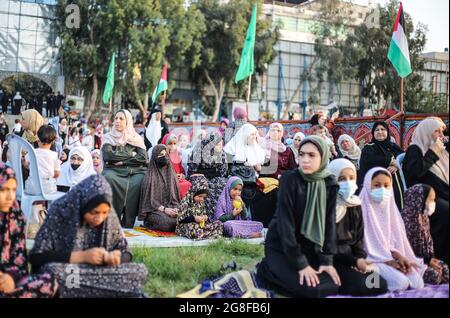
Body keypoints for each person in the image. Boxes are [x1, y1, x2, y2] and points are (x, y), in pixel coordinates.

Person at [29, 174, 148, 298]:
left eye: (104, 213)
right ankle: (112, 291)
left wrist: (117, 257)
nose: (100, 218)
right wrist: (82, 257)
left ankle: (78, 291)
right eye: (94, 212)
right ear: (83, 204)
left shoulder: (108, 213)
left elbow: (126, 252)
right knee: (52, 272)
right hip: (69, 271)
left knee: (140, 271)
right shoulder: (60, 210)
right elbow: (36, 257)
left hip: (98, 272)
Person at [256, 136, 341, 298]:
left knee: (333, 285)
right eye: (301, 155)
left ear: (323, 156)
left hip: (309, 247)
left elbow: (329, 225)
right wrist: (301, 264)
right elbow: (284, 223)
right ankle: (266, 270)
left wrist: (326, 261)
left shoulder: (329, 183)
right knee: (311, 290)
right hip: (282, 246)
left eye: (311, 155)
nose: (305, 160)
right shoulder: (290, 179)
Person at [359, 167, 426, 292]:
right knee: (401, 283)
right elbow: (362, 246)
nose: (382, 190)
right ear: (368, 185)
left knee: (418, 283)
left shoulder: (390, 209)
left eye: (386, 185)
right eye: (377, 185)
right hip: (370, 261)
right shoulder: (359, 209)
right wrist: (387, 261)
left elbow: (390, 241)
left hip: (389, 257)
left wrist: (399, 255)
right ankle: (373, 280)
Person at [328, 159, 388, 296]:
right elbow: (327, 246)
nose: (348, 182)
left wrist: (360, 259)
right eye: (342, 178)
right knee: (362, 286)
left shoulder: (354, 204)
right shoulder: (326, 206)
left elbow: (358, 239)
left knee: (380, 284)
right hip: (331, 261)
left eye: (351, 178)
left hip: (352, 260)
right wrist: (354, 261)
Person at [0, 163, 58, 298]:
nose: (10, 197)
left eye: (13, 190)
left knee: (50, 281)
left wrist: (10, 277)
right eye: (3, 190)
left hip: (10, 280)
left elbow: (19, 258)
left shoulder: (15, 215)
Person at [402, 117, 449, 264]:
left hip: (442, 194)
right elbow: (416, 172)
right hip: (426, 196)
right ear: (427, 132)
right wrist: (433, 151)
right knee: (446, 211)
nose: (440, 134)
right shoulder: (415, 149)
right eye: (436, 131)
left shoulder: (442, 151)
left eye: (442, 131)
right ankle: (440, 259)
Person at [102, 109, 148, 228]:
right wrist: (130, 154)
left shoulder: (136, 137)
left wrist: (122, 160)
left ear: (127, 121)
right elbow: (108, 156)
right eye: (116, 118)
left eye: (121, 119)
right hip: (113, 170)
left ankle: (128, 221)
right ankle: (112, 219)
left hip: (134, 171)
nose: (117, 121)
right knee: (108, 177)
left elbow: (143, 158)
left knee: (139, 181)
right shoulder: (108, 137)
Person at [400, 184, 449, 285]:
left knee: (444, 269)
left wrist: (430, 260)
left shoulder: (423, 218)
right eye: (431, 200)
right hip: (411, 263)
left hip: (426, 262)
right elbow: (410, 251)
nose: (433, 203)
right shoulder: (408, 220)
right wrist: (427, 261)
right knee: (434, 276)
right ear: (419, 199)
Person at [253, 123, 297, 227]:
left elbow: (293, 168)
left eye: (278, 130)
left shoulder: (287, 150)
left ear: (282, 133)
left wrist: (285, 177)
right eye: (273, 130)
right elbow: (261, 167)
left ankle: (284, 224)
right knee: (270, 194)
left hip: (284, 180)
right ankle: (265, 225)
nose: (275, 133)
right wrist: (276, 176)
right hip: (266, 179)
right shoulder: (262, 147)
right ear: (269, 132)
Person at [358, 121, 405, 210]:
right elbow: (369, 160)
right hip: (380, 188)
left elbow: (404, 158)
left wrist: (396, 166)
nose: (380, 132)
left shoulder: (393, 146)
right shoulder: (369, 147)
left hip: (397, 186)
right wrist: (389, 161)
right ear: (373, 133)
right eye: (377, 130)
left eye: (383, 129)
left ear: (387, 132)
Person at [224, 123, 266, 218]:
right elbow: (227, 168)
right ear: (245, 135)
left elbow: (259, 169)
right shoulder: (232, 147)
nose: (254, 137)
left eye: (255, 134)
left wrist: (254, 165)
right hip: (236, 180)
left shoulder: (256, 149)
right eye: (252, 134)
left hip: (251, 181)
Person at [138, 145, 180, 232]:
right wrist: (165, 210)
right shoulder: (150, 176)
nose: (164, 157)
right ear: (154, 156)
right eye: (161, 154)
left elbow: (175, 198)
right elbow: (148, 202)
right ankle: (149, 224)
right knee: (167, 223)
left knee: (183, 218)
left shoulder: (171, 174)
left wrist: (175, 208)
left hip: (170, 208)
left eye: (166, 154)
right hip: (154, 211)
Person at [188, 131, 229, 218]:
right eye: (217, 144)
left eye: (220, 144)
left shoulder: (221, 153)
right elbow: (192, 169)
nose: (220, 146)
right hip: (198, 175)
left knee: (221, 183)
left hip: (215, 176)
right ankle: (201, 215)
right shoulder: (199, 149)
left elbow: (223, 171)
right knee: (204, 185)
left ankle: (217, 216)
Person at [176, 175, 223, 240]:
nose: (201, 199)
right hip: (186, 225)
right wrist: (194, 218)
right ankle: (208, 234)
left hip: (200, 226)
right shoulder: (185, 202)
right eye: (199, 196)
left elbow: (203, 214)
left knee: (219, 224)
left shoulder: (201, 203)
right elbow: (180, 219)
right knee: (194, 228)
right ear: (193, 192)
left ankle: (204, 233)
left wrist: (205, 217)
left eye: (203, 197)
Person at [24, 125, 61, 195]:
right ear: (53, 141)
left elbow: (26, 165)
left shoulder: (32, 152)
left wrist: (24, 162)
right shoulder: (53, 155)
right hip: (47, 188)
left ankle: (36, 205)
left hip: (31, 187)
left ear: (38, 138)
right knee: (51, 185)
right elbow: (57, 174)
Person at [161, 133, 191, 199]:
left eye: (174, 144)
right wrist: (173, 176)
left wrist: (181, 175)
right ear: (165, 144)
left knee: (188, 184)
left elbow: (182, 171)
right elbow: (160, 172)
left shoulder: (176, 155)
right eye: (170, 144)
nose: (172, 146)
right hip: (166, 180)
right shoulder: (162, 156)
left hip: (177, 180)